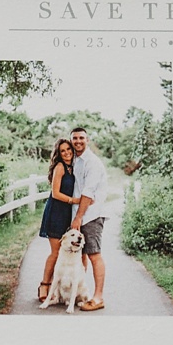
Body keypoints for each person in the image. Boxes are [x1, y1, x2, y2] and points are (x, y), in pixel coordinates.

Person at [67, 125, 109, 311]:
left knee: (94, 254)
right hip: (79, 214)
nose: (78, 141)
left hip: (91, 215)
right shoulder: (76, 160)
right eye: (74, 138)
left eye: (81, 138)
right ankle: (81, 294)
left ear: (87, 140)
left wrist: (78, 218)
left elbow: (88, 193)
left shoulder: (92, 162)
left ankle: (98, 298)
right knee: (80, 255)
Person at [34, 138, 80, 303]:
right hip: (56, 212)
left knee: (65, 252)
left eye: (69, 149)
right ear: (58, 154)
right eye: (63, 151)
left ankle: (58, 290)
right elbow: (55, 193)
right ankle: (44, 285)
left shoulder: (73, 166)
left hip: (68, 214)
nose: (67, 153)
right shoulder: (60, 167)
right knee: (55, 252)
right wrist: (74, 200)